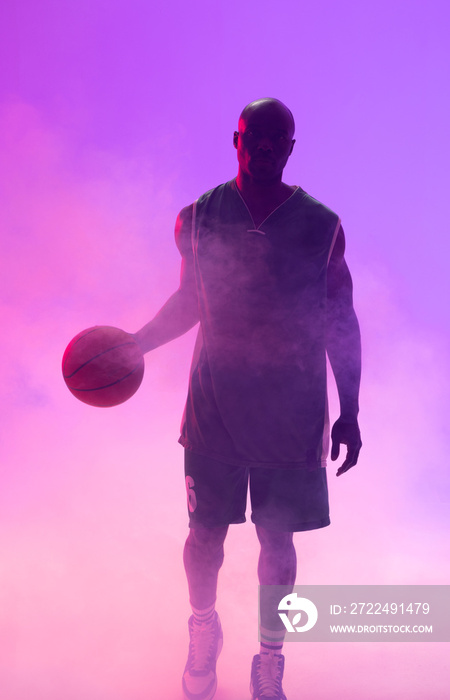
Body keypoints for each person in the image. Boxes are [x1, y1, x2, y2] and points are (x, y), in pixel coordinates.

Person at [135, 97, 361, 700]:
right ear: (234, 140)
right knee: (204, 535)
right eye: (253, 137)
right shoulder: (199, 218)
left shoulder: (321, 226)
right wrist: (135, 344)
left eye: (276, 140)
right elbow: (190, 305)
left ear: (291, 149)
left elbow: (342, 318)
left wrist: (352, 409)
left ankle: (269, 662)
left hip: (293, 406)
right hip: (215, 402)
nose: (263, 148)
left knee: (276, 540)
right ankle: (203, 629)